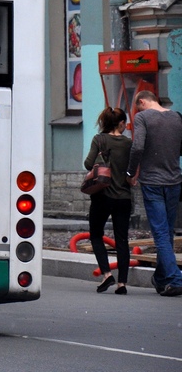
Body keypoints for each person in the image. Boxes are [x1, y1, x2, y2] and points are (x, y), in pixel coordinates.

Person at [127, 90, 182, 297]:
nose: (137, 111)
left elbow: (137, 146)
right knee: (167, 232)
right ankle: (161, 278)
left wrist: (131, 172)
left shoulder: (143, 117)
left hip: (152, 182)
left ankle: (176, 279)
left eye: (137, 106)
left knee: (160, 233)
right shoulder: (176, 116)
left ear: (142, 101)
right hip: (175, 180)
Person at [84, 107, 132, 294]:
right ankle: (122, 284)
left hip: (102, 197)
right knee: (122, 239)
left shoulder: (99, 139)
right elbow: (132, 167)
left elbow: (88, 164)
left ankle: (106, 274)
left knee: (96, 235)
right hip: (124, 198)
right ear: (121, 123)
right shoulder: (128, 143)